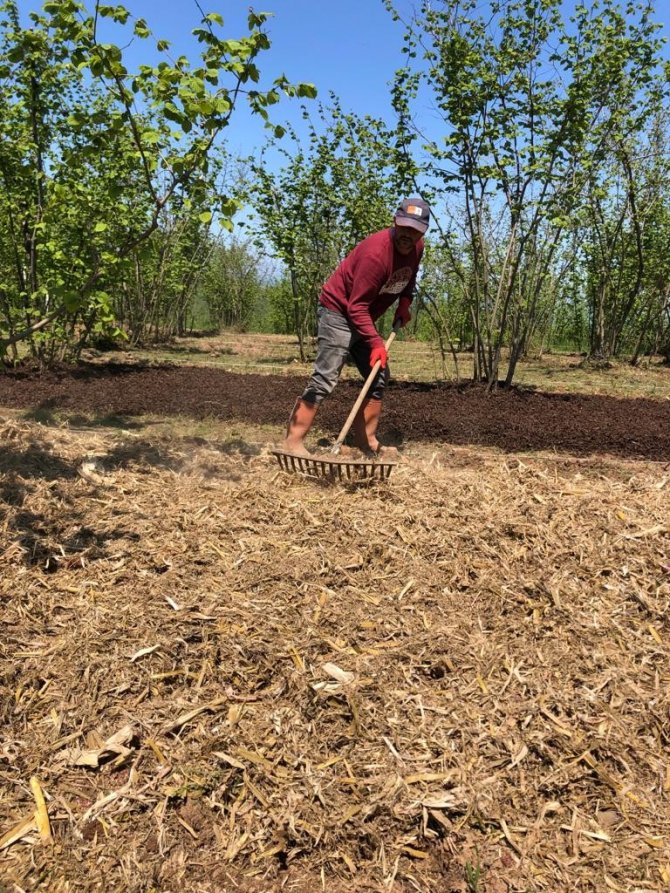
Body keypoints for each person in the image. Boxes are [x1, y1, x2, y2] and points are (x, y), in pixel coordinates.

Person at [279, 197, 430, 457]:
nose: (408, 235)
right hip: (338, 311)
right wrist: (374, 342)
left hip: (362, 315)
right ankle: (293, 442)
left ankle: (366, 440)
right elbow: (355, 307)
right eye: (404, 227)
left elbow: (410, 276)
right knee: (326, 377)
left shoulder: (418, 248)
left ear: (423, 231)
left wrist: (405, 302)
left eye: (415, 230)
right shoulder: (376, 254)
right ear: (395, 221)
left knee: (379, 376)